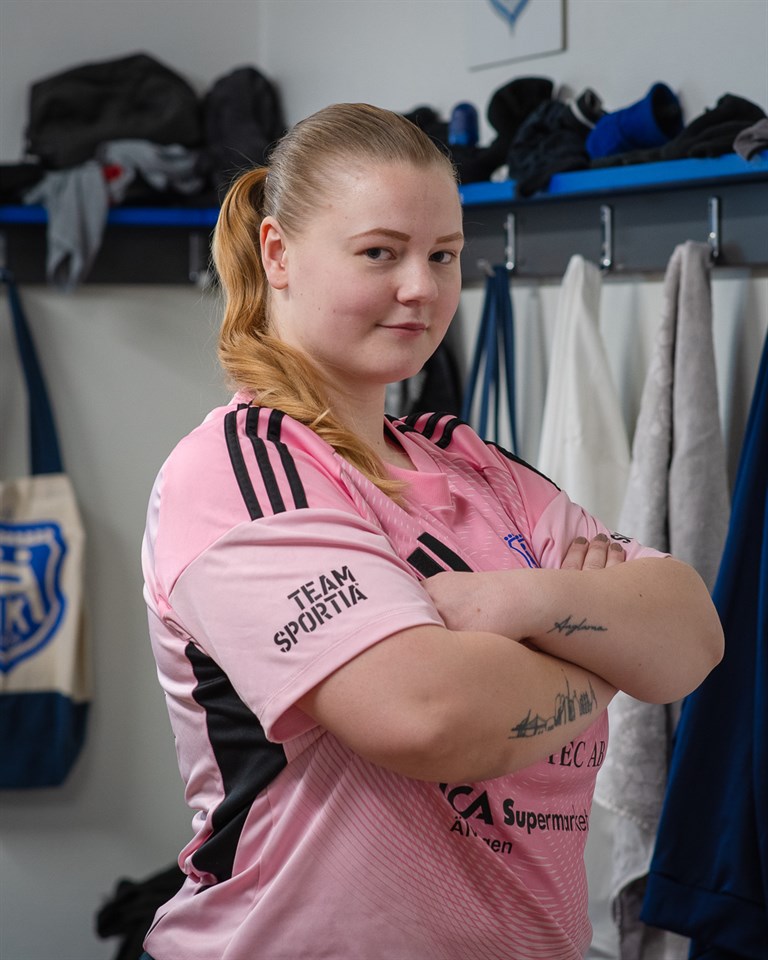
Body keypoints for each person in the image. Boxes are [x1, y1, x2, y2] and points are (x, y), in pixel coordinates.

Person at [140, 102, 723, 960]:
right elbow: (429, 717)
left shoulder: (478, 466)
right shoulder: (237, 472)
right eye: (381, 253)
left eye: (443, 254)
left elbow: (692, 638)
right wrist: (606, 652)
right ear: (278, 254)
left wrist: (515, 603)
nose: (422, 287)